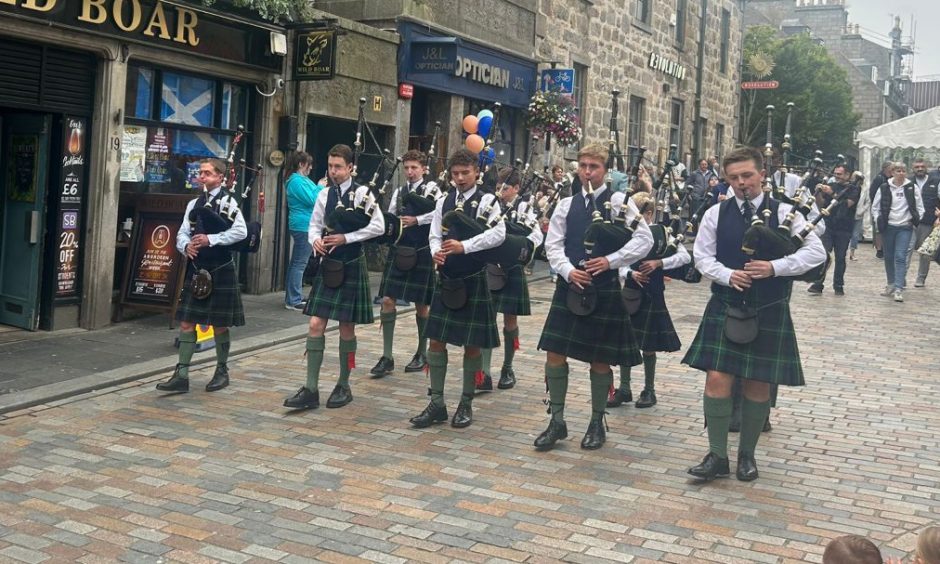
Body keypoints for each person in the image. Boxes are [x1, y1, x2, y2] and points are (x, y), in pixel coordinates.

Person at [682, 146, 826, 482]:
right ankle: (717, 455)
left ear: (762, 173)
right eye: (733, 178)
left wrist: (774, 267)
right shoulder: (715, 214)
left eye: (747, 175)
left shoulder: (787, 213)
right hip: (727, 301)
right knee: (717, 377)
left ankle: (747, 455)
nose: (741, 183)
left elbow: (816, 253)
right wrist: (729, 275)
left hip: (769, 307)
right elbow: (702, 258)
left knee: (758, 383)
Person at [534, 142, 653, 451]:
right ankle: (556, 421)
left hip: (604, 288)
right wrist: (567, 271)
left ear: (606, 170)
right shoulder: (566, 204)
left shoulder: (620, 203)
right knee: (554, 353)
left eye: (594, 167)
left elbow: (645, 241)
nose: (587, 172)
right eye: (583, 166)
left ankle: (596, 422)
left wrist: (611, 261)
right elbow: (553, 245)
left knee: (600, 360)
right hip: (570, 286)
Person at [408, 148, 506, 429]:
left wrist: (465, 246)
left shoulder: (487, 200)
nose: (460, 178)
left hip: (473, 277)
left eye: (465, 173)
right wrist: (436, 252)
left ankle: (466, 402)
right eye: (455, 174)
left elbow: (499, 234)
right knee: (436, 341)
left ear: (477, 172)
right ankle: (437, 403)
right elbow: (435, 234)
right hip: (447, 279)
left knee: (472, 346)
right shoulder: (444, 201)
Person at [283, 144, 385, 411]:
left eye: (338, 167)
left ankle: (343, 384)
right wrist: (315, 240)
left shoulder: (363, 193)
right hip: (329, 266)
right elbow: (314, 224)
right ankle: (311, 388)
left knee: (346, 328)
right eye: (330, 166)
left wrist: (347, 237)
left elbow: (379, 226)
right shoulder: (324, 194)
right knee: (316, 324)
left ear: (351, 167)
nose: (333, 171)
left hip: (351, 263)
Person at [156, 158, 247, 394]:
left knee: (219, 324)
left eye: (207, 173)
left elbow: (241, 232)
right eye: (201, 173)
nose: (202, 177)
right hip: (197, 268)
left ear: (220, 177)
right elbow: (182, 232)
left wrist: (211, 239)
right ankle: (182, 374)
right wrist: (186, 247)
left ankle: (221, 370)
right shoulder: (194, 203)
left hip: (220, 267)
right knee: (187, 322)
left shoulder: (230, 202)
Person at [609, 191, 690, 409]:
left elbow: (684, 256)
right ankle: (624, 389)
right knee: (627, 342)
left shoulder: (664, 232)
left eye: (643, 213)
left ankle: (649, 390)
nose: (639, 218)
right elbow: (617, 260)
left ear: (651, 213)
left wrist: (659, 264)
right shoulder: (627, 233)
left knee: (649, 346)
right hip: (631, 293)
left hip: (653, 293)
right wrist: (629, 274)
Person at [370, 150, 442, 378]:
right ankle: (387, 356)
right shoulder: (399, 193)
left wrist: (417, 220)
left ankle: (422, 353)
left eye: (414, 168)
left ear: (423, 169)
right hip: (398, 251)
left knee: (422, 305)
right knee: (388, 300)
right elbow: (391, 217)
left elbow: (441, 214)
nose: (410, 172)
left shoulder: (433, 190)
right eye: (407, 168)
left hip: (421, 252)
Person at [477, 167, 544, 391]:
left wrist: (521, 247)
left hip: (512, 268)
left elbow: (536, 235)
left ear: (516, 188)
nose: (500, 191)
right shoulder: (489, 204)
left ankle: (507, 367)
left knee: (510, 322)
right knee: (486, 319)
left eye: (505, 188)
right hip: (490, 267)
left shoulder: (525, 207)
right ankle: (484, 372)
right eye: (498, 187)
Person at [871, 162, 925, 303]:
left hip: (905, 227)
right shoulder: (884, 187)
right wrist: (879, 220)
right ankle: (891, 283)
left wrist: (915, 220)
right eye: (898, 170)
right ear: (892, 172)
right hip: (888, 226)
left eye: (903, 171)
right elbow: (875, 206)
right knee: (888, 256)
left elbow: (920, 206)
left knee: (901, 256)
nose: (901, 173)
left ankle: (899, 288)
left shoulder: (911, 187)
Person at [807, 164, 860, 296]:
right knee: (824, 253)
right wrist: (818, 193)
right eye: (835, 174)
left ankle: (838, 285)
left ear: (847, 175)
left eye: (839, 174)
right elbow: (821, 205)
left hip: (844, 227)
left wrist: (831, 193)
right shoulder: (833, 186)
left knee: (840, 257)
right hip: (829, 225)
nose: (836, 176)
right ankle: (818, 283)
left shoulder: (854, 188)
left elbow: (847, 204)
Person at [284, 151, 323, 311]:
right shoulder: (295, 181)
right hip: (303, 225)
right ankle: (293, 299)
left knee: (297, 263)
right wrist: (321, 185)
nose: (311, 167)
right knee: (299, 263)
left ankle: (294, 295)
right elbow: (313, 199)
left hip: (305, 224)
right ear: (301, 164)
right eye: (309, 164)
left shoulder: (301, 180)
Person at [909, 159, 938, 287]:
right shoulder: (908, 182)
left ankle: (921, 278)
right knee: (906, 250)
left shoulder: (935, 181)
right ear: (913, 168)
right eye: (917, 166)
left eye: (922, 166)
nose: (920, 169)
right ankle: (900, 277)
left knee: (925, 251)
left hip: (928, 221)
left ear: (927, 167)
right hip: (909, 220)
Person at [869, 161, 893, 259]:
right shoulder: (879, 178)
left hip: (888, 207)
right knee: (878, 229)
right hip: (880, 207)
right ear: (886, 168)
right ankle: (879, 249)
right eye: (892, 168)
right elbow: (873, 193)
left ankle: (885, 248)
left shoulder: (890, 178)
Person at [849, 171, 868, 261]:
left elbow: (868, 201)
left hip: (858, 214)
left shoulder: (864, 189)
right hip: (848, 214)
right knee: (846, 234)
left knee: (855, 235)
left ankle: (852, 253)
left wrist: (863, 210)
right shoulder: (849, 187)